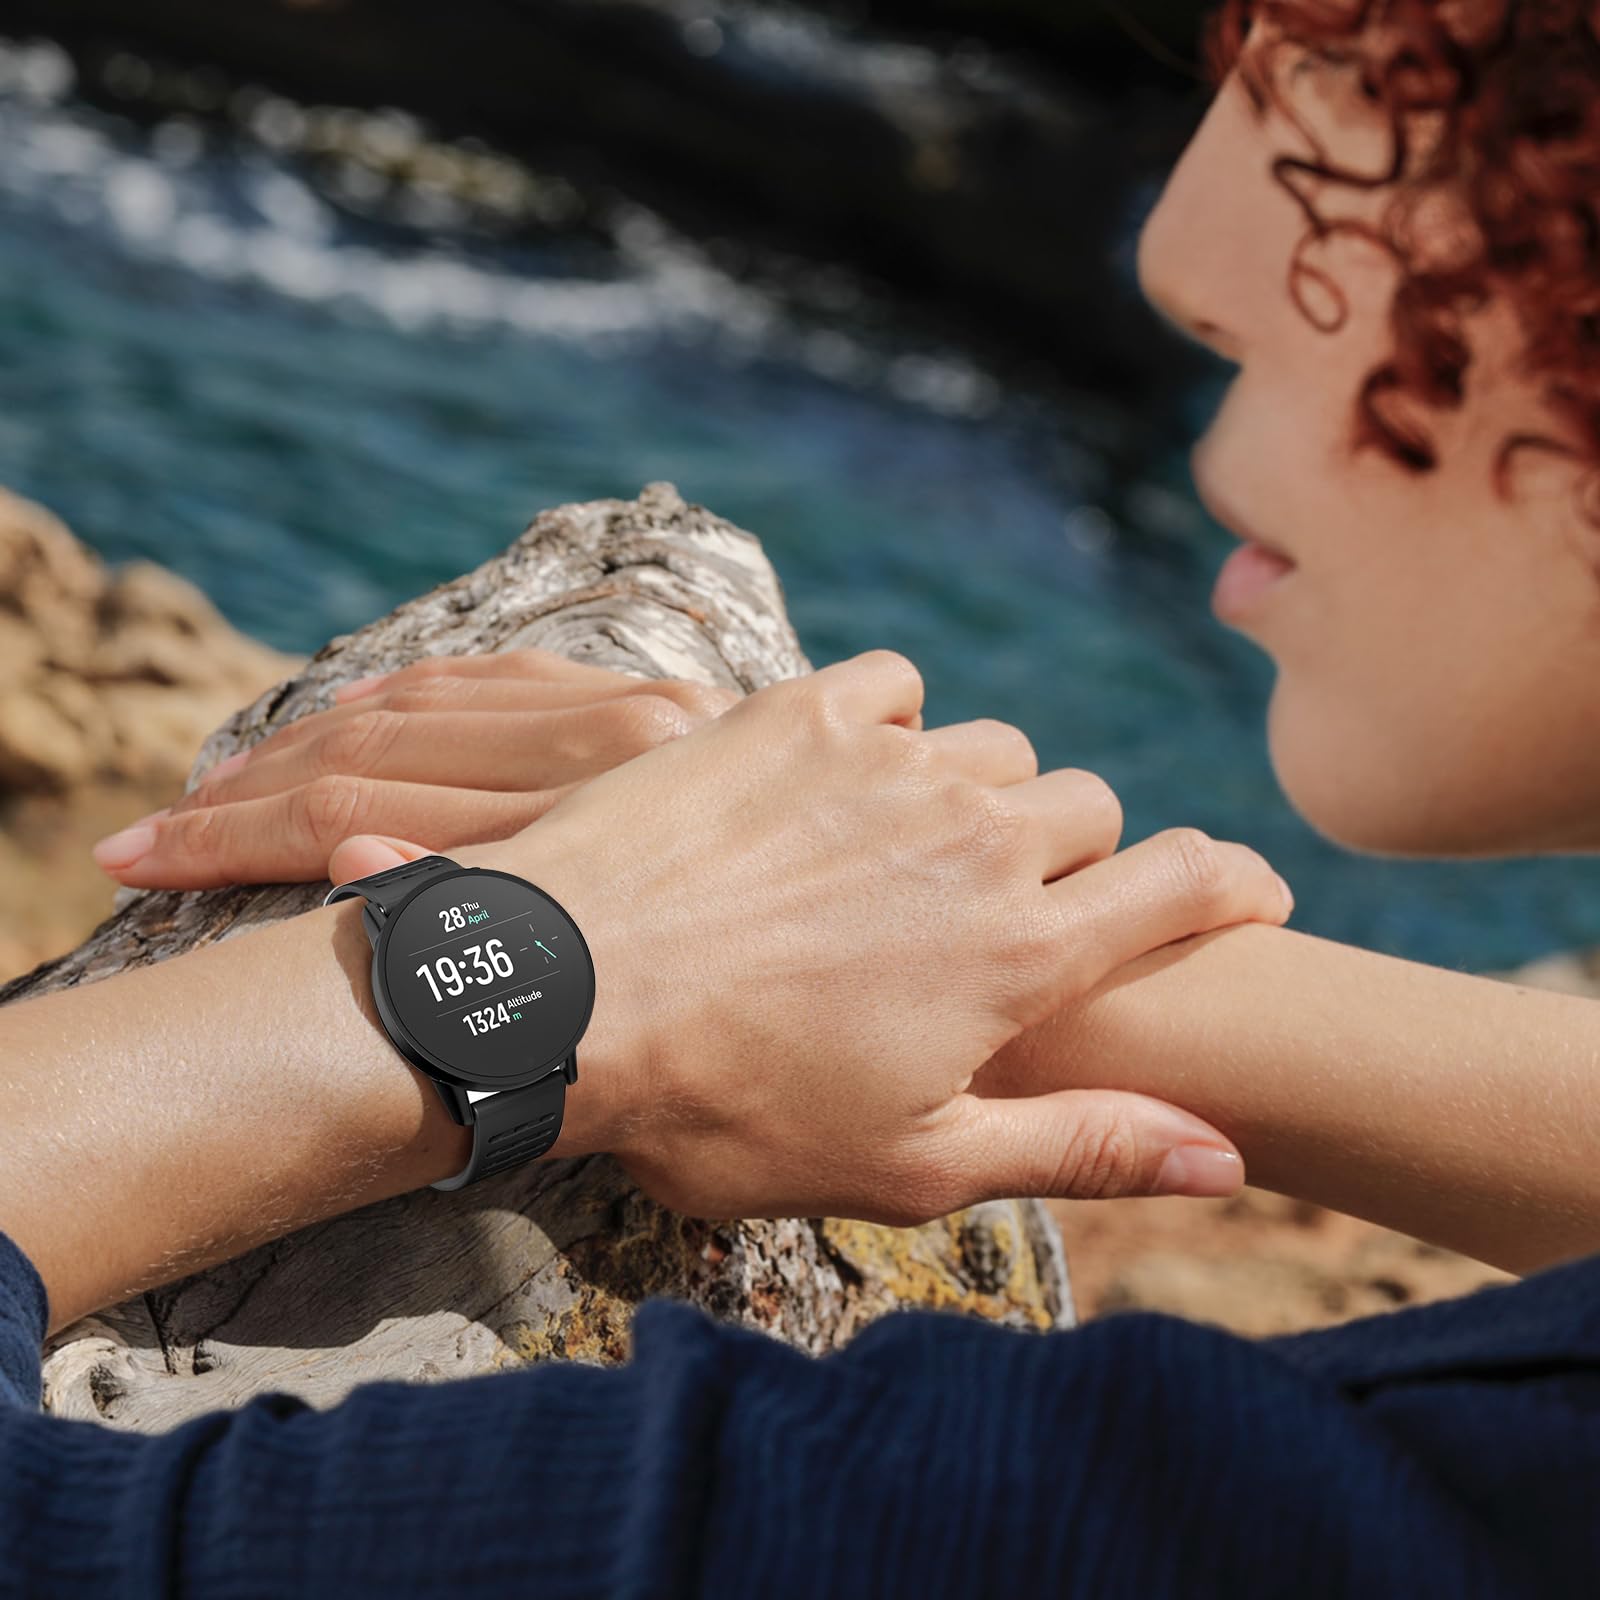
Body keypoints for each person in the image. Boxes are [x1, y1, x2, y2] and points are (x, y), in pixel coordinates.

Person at [3, 2, 1599, 1594]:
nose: (1181, 257)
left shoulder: (1214, 1516)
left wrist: (554, 961)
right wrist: (1011, 958)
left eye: (1495, 111)